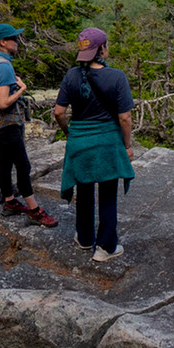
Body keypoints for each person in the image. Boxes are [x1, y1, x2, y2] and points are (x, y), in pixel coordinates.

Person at [52, 27, 136, 262]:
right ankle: (106, 247)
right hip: (107, 142)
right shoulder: (117, 77)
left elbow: (59, 112)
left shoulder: (71, 75)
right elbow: (124, 118)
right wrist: (127, 146)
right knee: (108, 193)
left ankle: (85, 238)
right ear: (101, 49)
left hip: (80, 142)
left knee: (84, 187)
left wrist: (71, 133)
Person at [0, 23, 58, 228]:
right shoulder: (4, 67)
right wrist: (22, 89)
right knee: (23, 165)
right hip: (8, 124)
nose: (17, 42)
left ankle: (10, 202)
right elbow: (3, 102)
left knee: (6, 162)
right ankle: (35, 210)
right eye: (14, 38)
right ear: (3, 42)